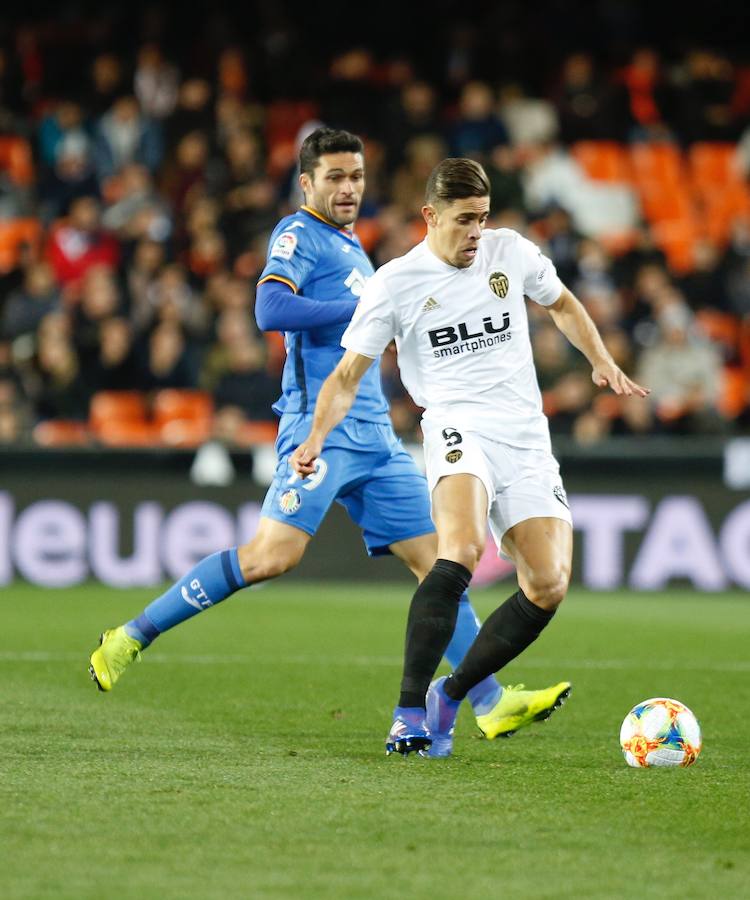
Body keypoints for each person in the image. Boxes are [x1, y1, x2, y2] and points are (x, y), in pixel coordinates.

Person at [88, 130, 543, 753]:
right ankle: (132, 635)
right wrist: (358, 311)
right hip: (320, 430)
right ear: (307, 184)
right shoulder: (298, 234)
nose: (348, 187)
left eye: (355, 176)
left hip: (376, 435)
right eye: (334, 177)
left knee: (440, 563)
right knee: (272, 557)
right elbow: (269, 310)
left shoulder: (351, 245)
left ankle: (489, 700)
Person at [291, 157, 650, 757]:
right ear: (430, 216)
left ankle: (450, 695)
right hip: (457, 426)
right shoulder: (396, 283)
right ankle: (407, 714)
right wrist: (315, 436)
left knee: (549, 583)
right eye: (464, 220)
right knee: (459, 549)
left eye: (483, 218)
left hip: (525, 436)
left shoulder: (509, 252)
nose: (476, 233)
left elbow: (561, 303)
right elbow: (348, 374)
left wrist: (601, 359)